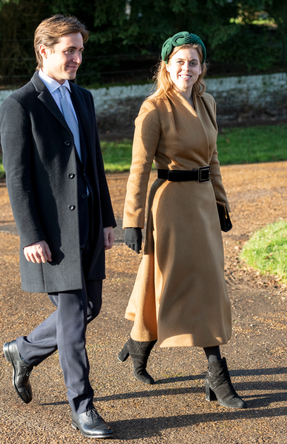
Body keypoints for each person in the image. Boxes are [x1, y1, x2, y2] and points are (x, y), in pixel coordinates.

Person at [0, 14, 115, 439]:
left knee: (89, 308)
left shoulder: (83, 98)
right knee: (71, 316)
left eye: (80, 50)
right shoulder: (19, 104)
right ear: (44, 51)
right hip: (52, 234)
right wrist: (31, 235)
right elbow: (17, 177)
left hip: (88, 223)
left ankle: (23, 350)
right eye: (69, 50)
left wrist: (106, 220)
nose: (77, 58)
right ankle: (82, 407)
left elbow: (95, 165)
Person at [119, 31, 246, 409]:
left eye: (193, 62)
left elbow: (213, 157)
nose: (186, 68)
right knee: (187, 282)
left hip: (204, 203)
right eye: (179, 62)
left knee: (179, 281)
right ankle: (216, 372)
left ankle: (139, 343)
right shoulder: (154, 108)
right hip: (170, 206)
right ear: (167, 67)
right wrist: (132, 218)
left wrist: (221, 202)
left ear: (201, 67)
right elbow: (139, 167)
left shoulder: (208, 102)